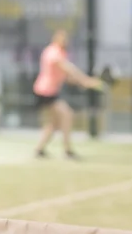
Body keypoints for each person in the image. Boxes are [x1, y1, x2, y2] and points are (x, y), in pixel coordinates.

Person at [32, 30, 102, 159]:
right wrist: (87, 81)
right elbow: (69, 69)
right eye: (62, 39)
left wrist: (84, 82)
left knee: (54, 123)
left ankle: (39, 149)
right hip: (45, 92)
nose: (65, 41)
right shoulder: (53, 52)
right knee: (67, 115)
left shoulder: (59, 52)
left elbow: (66, 76)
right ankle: (67, 150)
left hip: (50, 91)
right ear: (56, 39)